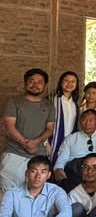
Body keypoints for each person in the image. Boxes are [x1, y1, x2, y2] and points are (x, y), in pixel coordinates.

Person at [0, 68, 55, 196]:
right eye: (31, 81)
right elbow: (9, 127)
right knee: (8, 195)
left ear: (45, 85)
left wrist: (35, 142)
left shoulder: (49, 106)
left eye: (39, 82)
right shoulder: (13, 102)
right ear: (25, 83)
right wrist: (25, 143)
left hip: (38, 157)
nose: (35, 85)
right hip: (14, 155)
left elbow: (50, 129)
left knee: (34, 196)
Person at [53, 109, 96, 192]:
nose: (87, 123)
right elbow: (62, 157)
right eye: (84, 120)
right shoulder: (70, 138)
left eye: (91, 121)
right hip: (75, 171)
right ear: (80, 122)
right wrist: (58, 168)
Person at [50, 71, 80, 166]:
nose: (69, 84)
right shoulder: (52, 100)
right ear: (61, 82)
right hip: (53, 140)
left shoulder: (75, 103)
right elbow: (42, 122)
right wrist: (45, 143)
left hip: (68, 141)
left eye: (73, 81)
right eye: (66, 80)